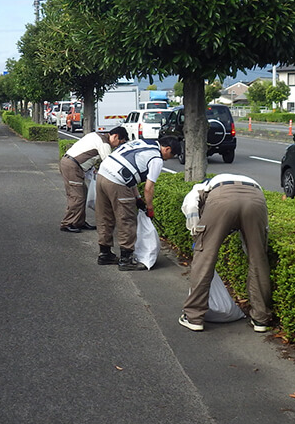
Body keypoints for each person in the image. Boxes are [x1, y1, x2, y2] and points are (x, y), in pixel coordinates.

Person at [178, 173, 272, 333]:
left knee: (205, 258)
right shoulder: (248, 183)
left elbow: (190, 206)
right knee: (258, 259)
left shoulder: (200, 188)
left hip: (221, 198)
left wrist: (197, 233)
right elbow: (259, 232)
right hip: (256, 198)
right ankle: (261, 319)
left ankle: (193, 316)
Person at [95, 136, 179, 269]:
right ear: (167, 149)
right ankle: (125, 260)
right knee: (126, 220)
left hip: (102, 174)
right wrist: (150, 208)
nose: (168, 158)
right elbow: (149, 187)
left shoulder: (142, 142)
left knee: (105, 216)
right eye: (171, 155)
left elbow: (130, 173)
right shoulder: (156, 158)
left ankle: (105, 254)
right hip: (117, 182)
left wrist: (138, 198)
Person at [60, 127, 128, 233]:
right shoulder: (104, 144)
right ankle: (67, 223)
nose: (117, 146)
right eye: (119, 142)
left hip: (70, 163)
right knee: (77, 196)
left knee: (82, 193)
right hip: (73, 167)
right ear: (115, 136)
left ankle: (79, 222)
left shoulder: (96, 135)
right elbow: (109, 164)